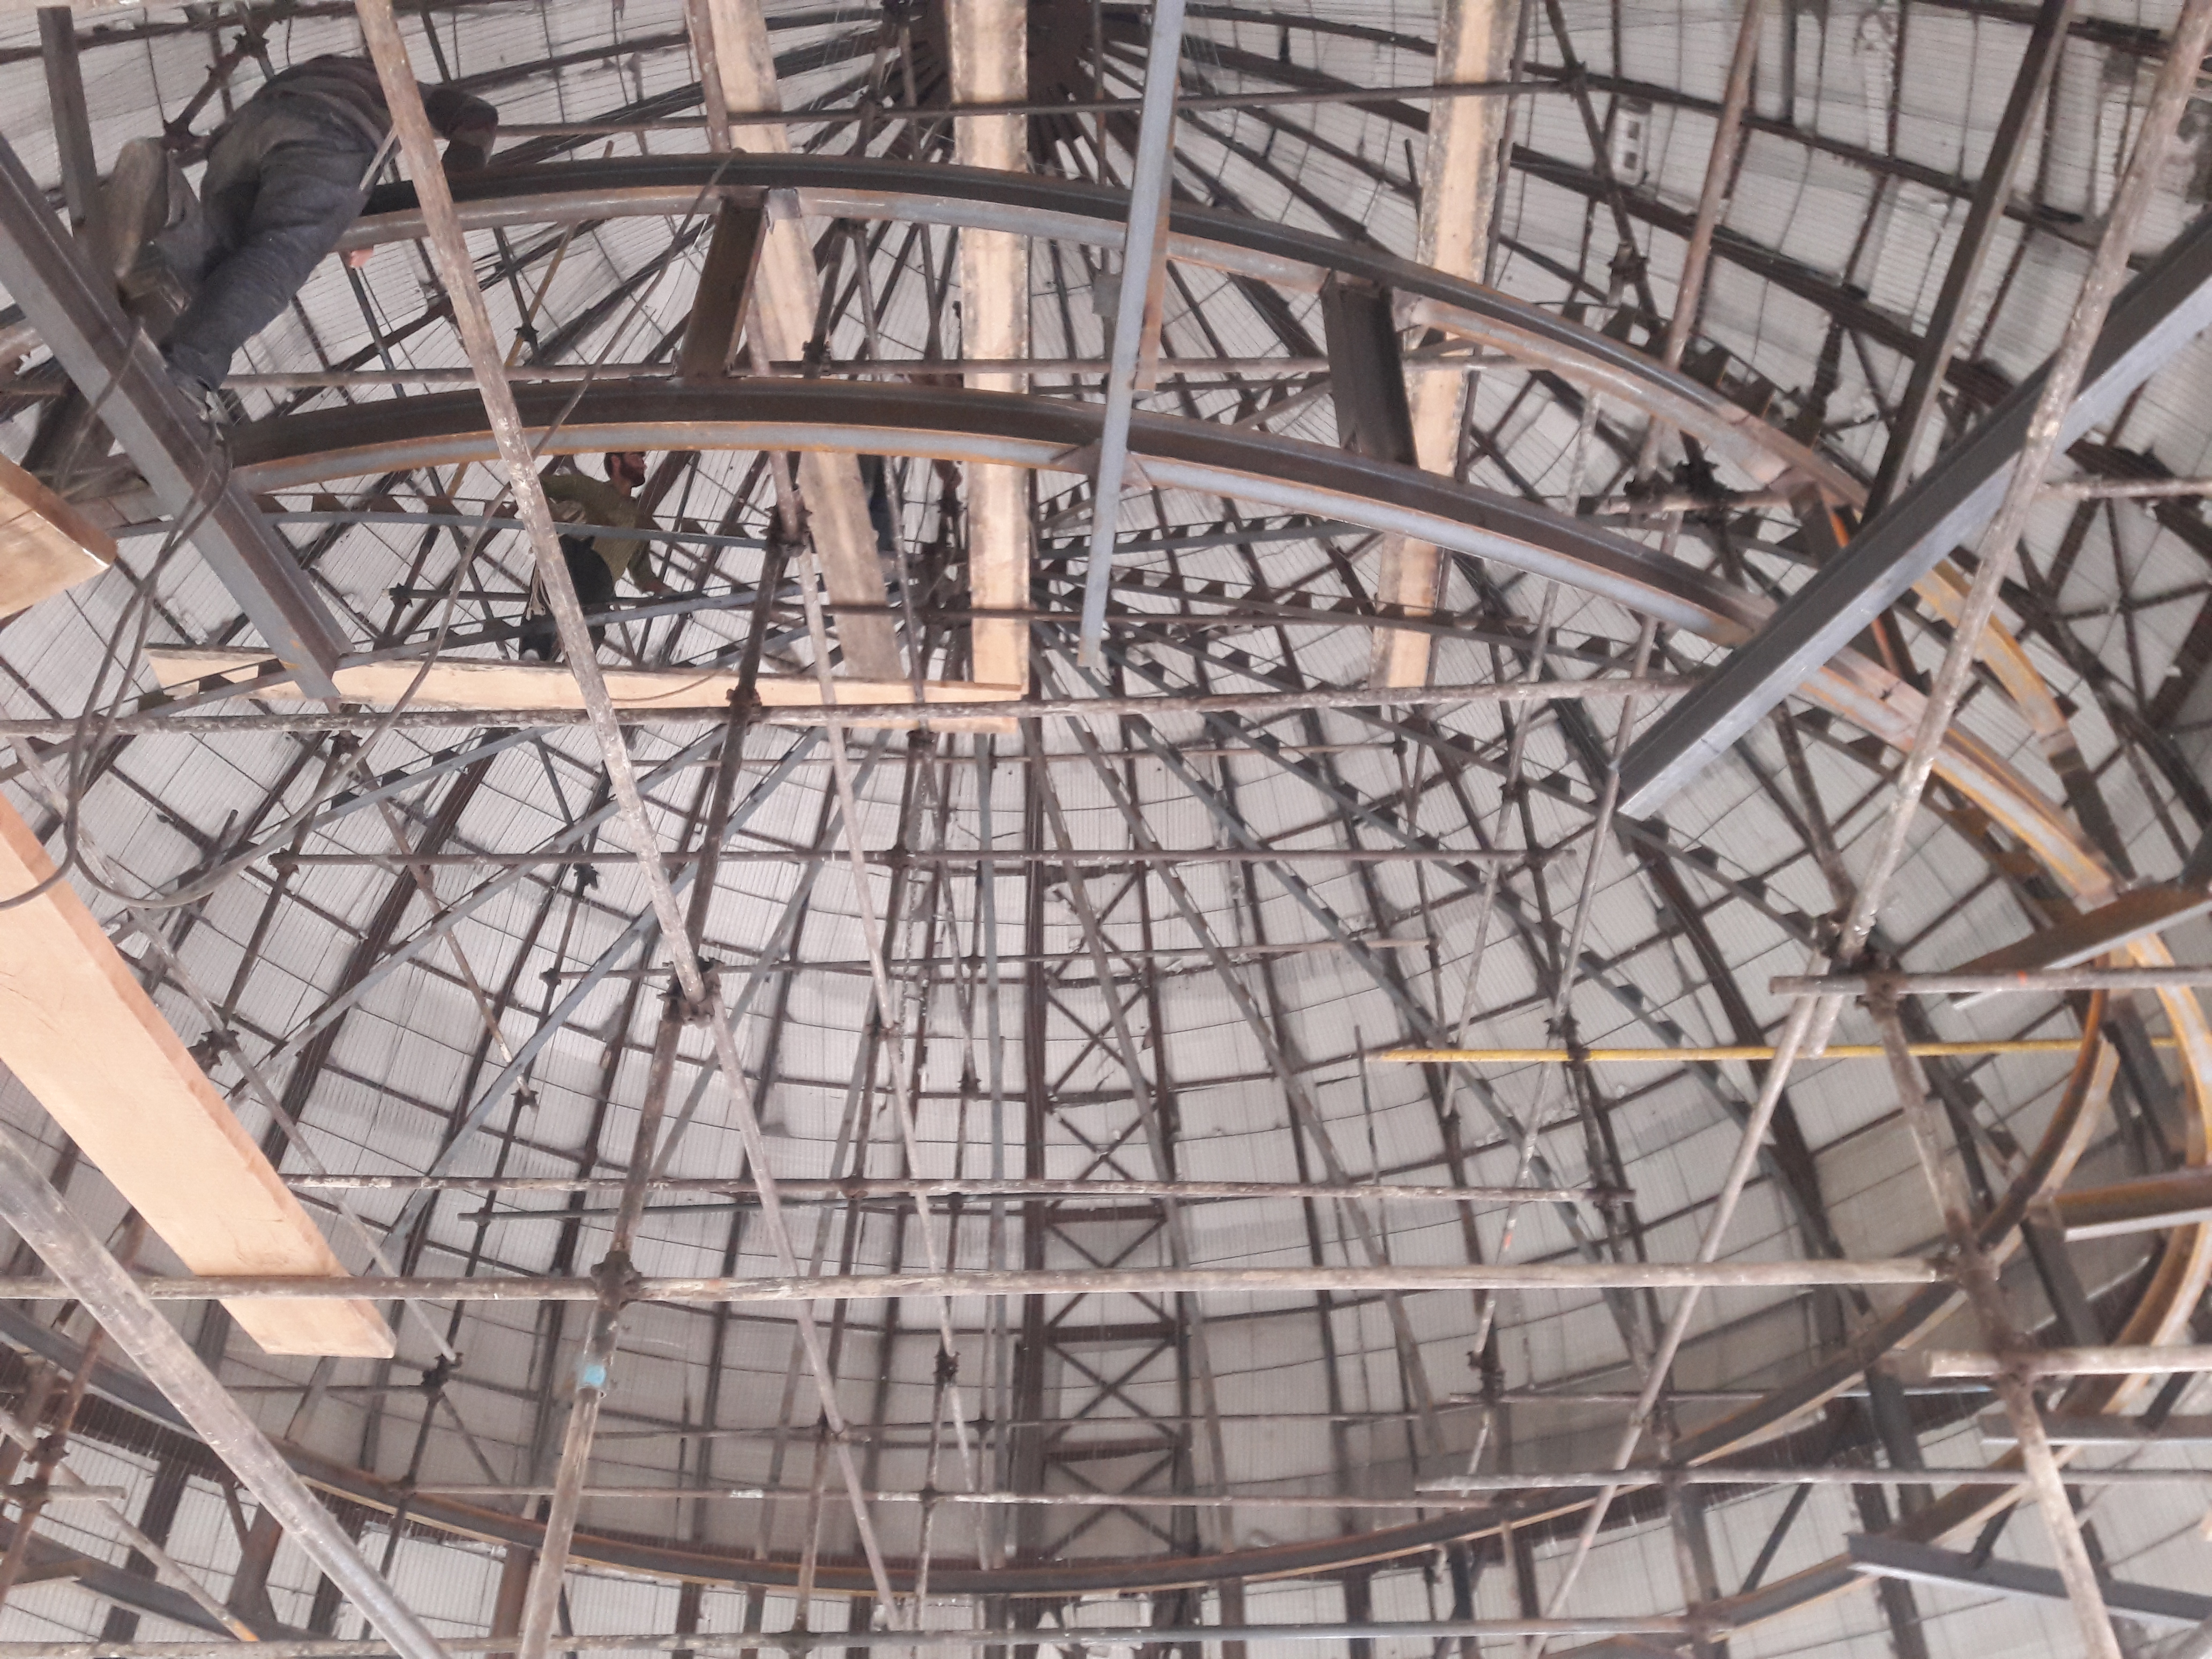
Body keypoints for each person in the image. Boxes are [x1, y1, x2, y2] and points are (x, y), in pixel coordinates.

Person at [128, 55, 497, 400]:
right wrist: (449, 194)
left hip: (242, 135)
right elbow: (479, 115)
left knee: (222, 278)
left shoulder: (333, 68)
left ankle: (166, 200)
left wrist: (362, 222)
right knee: (279, 261)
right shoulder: (414, 94)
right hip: (332, 136)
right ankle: (186, 374)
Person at [520, 451, 673, 663]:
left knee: (594, 627)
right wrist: (551, 516)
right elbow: (533, 485)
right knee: (546, 600)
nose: (643, 465)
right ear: (616, 461)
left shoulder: (639, 522)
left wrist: (672, 593)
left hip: (601, 579)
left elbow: (644, 576)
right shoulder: (586, 487)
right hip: (572, 551)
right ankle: (533, 652)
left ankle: (575, 667)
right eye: (636, 457)